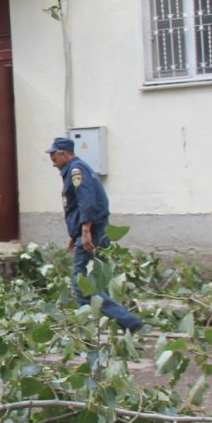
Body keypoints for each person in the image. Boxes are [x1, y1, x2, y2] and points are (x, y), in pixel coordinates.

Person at [47, 137, 143, 332]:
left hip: (93, 232)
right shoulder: (78, 168)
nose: (53, 163)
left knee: (82, 285)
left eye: (54, 158)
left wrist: (85, 231)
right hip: (93, 230)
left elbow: (87, 200)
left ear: (64, 154)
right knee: (92, 283)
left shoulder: (76, 170)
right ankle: (94, 327)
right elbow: (77, 205)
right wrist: (74, 234)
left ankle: (127, 322)